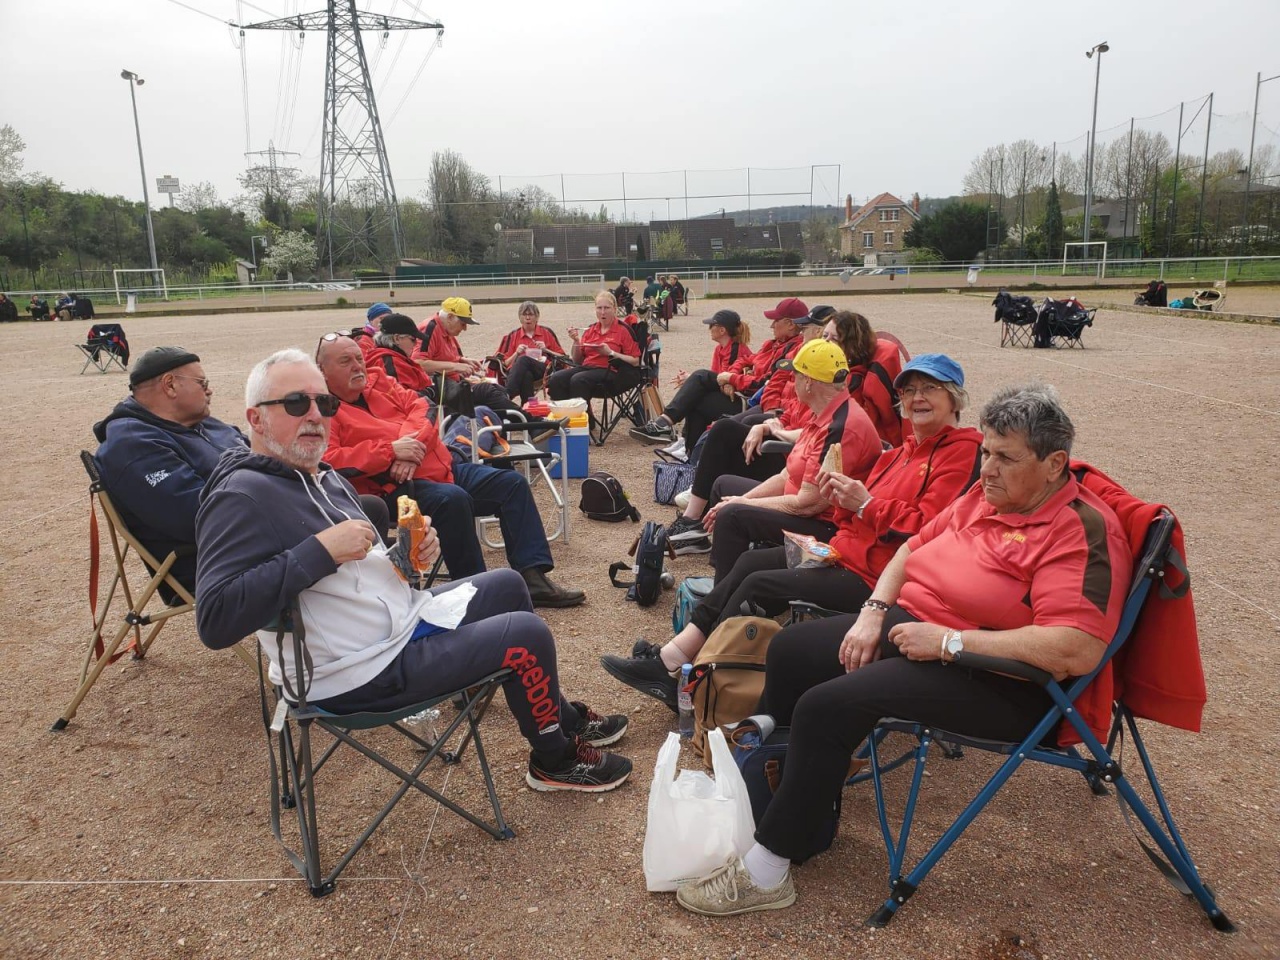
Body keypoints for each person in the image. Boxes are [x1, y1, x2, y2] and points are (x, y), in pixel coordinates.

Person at [672, 383, 1132, 916]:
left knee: (828, 704)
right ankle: (793, 797)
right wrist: (873, 612)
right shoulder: (989, 496)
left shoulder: (1079, 530)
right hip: (919, 627)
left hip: (1003, 676)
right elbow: (913, 547)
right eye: (986, 451)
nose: (987, 469)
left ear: (1055, 464)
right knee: (792, 648)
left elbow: (1075, 648)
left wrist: (949, 642)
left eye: (1006, 457)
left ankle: (770, 868)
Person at [193, 349, 632, 793]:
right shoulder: (242, 497)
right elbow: (215, 619)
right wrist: (319, 551)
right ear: (255, 417)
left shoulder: (320, 475)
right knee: (526, 634)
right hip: (355, 672)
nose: (314, 415)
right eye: (295, 403)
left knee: (508, 583)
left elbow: (360, 571)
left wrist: (409, 560)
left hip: (396, 627)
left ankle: (561, 721)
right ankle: (552, 760)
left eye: (324, 404)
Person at [601, 354, 980, 709]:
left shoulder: (962, 453)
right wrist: (844, 519)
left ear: (955, 400)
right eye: (909, 390)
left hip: (877, 576)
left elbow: (929, 530)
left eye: (930, 389)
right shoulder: (900, 451)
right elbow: (841, 509)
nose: (917, 398)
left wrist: (863, 506)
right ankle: (676, 657)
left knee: (758, 582)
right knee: (750, 561)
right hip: (841, 551)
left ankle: (691, 677)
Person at [315, 333, 584, 607]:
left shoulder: (379, 381)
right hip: (393, 490)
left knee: (511, 484)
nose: (358, 366)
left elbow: (424, 409)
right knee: (453, 500)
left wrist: (410, 450)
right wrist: (391, 451)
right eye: (345, 361)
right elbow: (331, 461)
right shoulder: (322, 410)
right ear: (322, 371)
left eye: (359, 358)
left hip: (440, 467)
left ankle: (533, 577)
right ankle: (474, 594)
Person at [92, 345, 389, 593]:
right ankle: (369, 598)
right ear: (170, 384)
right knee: (363, 512)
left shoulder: (203, 424)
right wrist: (285, 503)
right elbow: (194, 518)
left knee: (358, 505)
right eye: (202, 383)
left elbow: (262, 456)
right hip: (220, 556)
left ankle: (377, 592)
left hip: (265, 515)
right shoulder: (132, 446)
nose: (210, 390)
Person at [677, 339, 882, 571]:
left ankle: (729, 584)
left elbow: (808, 505)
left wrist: (744, 502)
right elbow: (786, 476)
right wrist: (744, 500)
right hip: (801, 502)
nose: (792, 382)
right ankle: (724, 564)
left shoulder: (839, 427)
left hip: (824, 524)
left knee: (732, 513)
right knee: (723, 486)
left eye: (795, 377)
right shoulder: (824, 413)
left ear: (809, 383)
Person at [629, 309, 753, 456]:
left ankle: (667, 426)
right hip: (725, 393)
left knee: (699, 379)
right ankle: (689, 447)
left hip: (737, 399)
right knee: (695, 393)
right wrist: (691, 380)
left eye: (711, 325)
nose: (709, 329)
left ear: (722, 330)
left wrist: (694, 379)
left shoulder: (736, 349)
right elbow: (716, 379)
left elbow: (725, 379)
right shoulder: (720, 348)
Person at [413, 297, 519, 415]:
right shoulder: (430, 328)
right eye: (463, 323)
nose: (465, 328)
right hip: (442, 390)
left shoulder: (447, 330)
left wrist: (462, 360)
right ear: (450, 317)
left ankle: (517, 422)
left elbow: (443, 356)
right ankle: (530, 423)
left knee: (498, 390)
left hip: (452, 385)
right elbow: (418, 363)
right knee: (487, 391)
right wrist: (455, 366)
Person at [545, 291, 642, 403]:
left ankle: (584, 418)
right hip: (588, 367)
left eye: (607, 308)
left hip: (611, 371)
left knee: (578, 380)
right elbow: (577, 360)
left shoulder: (623, 331)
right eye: (599, 308)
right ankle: (565, 416)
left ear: (614, 309)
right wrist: (576, 340)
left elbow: (635, 361)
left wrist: (611, 353)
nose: (602, 312)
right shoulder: (591, 330)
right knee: (556, 378)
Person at [489, 301, 569, 405]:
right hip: (519, 373)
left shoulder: (546, 332)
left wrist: (546, 350)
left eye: (531, 314)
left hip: (542, 370)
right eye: (524, 315)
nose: (527, 318)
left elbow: (563, 357)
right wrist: (516, 353)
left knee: (524, 359)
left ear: (537, 317)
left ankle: (508, 394)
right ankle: (528, 408)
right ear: (519, 317)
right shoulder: (513, 335)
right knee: (526, 375)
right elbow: (505, 364)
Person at [364, 313, 435, 395]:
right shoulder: (390, 363)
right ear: (397, 338)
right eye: (412, 339)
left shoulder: (391, 357)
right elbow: (401, 399)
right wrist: (430, 392)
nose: (415, 344)